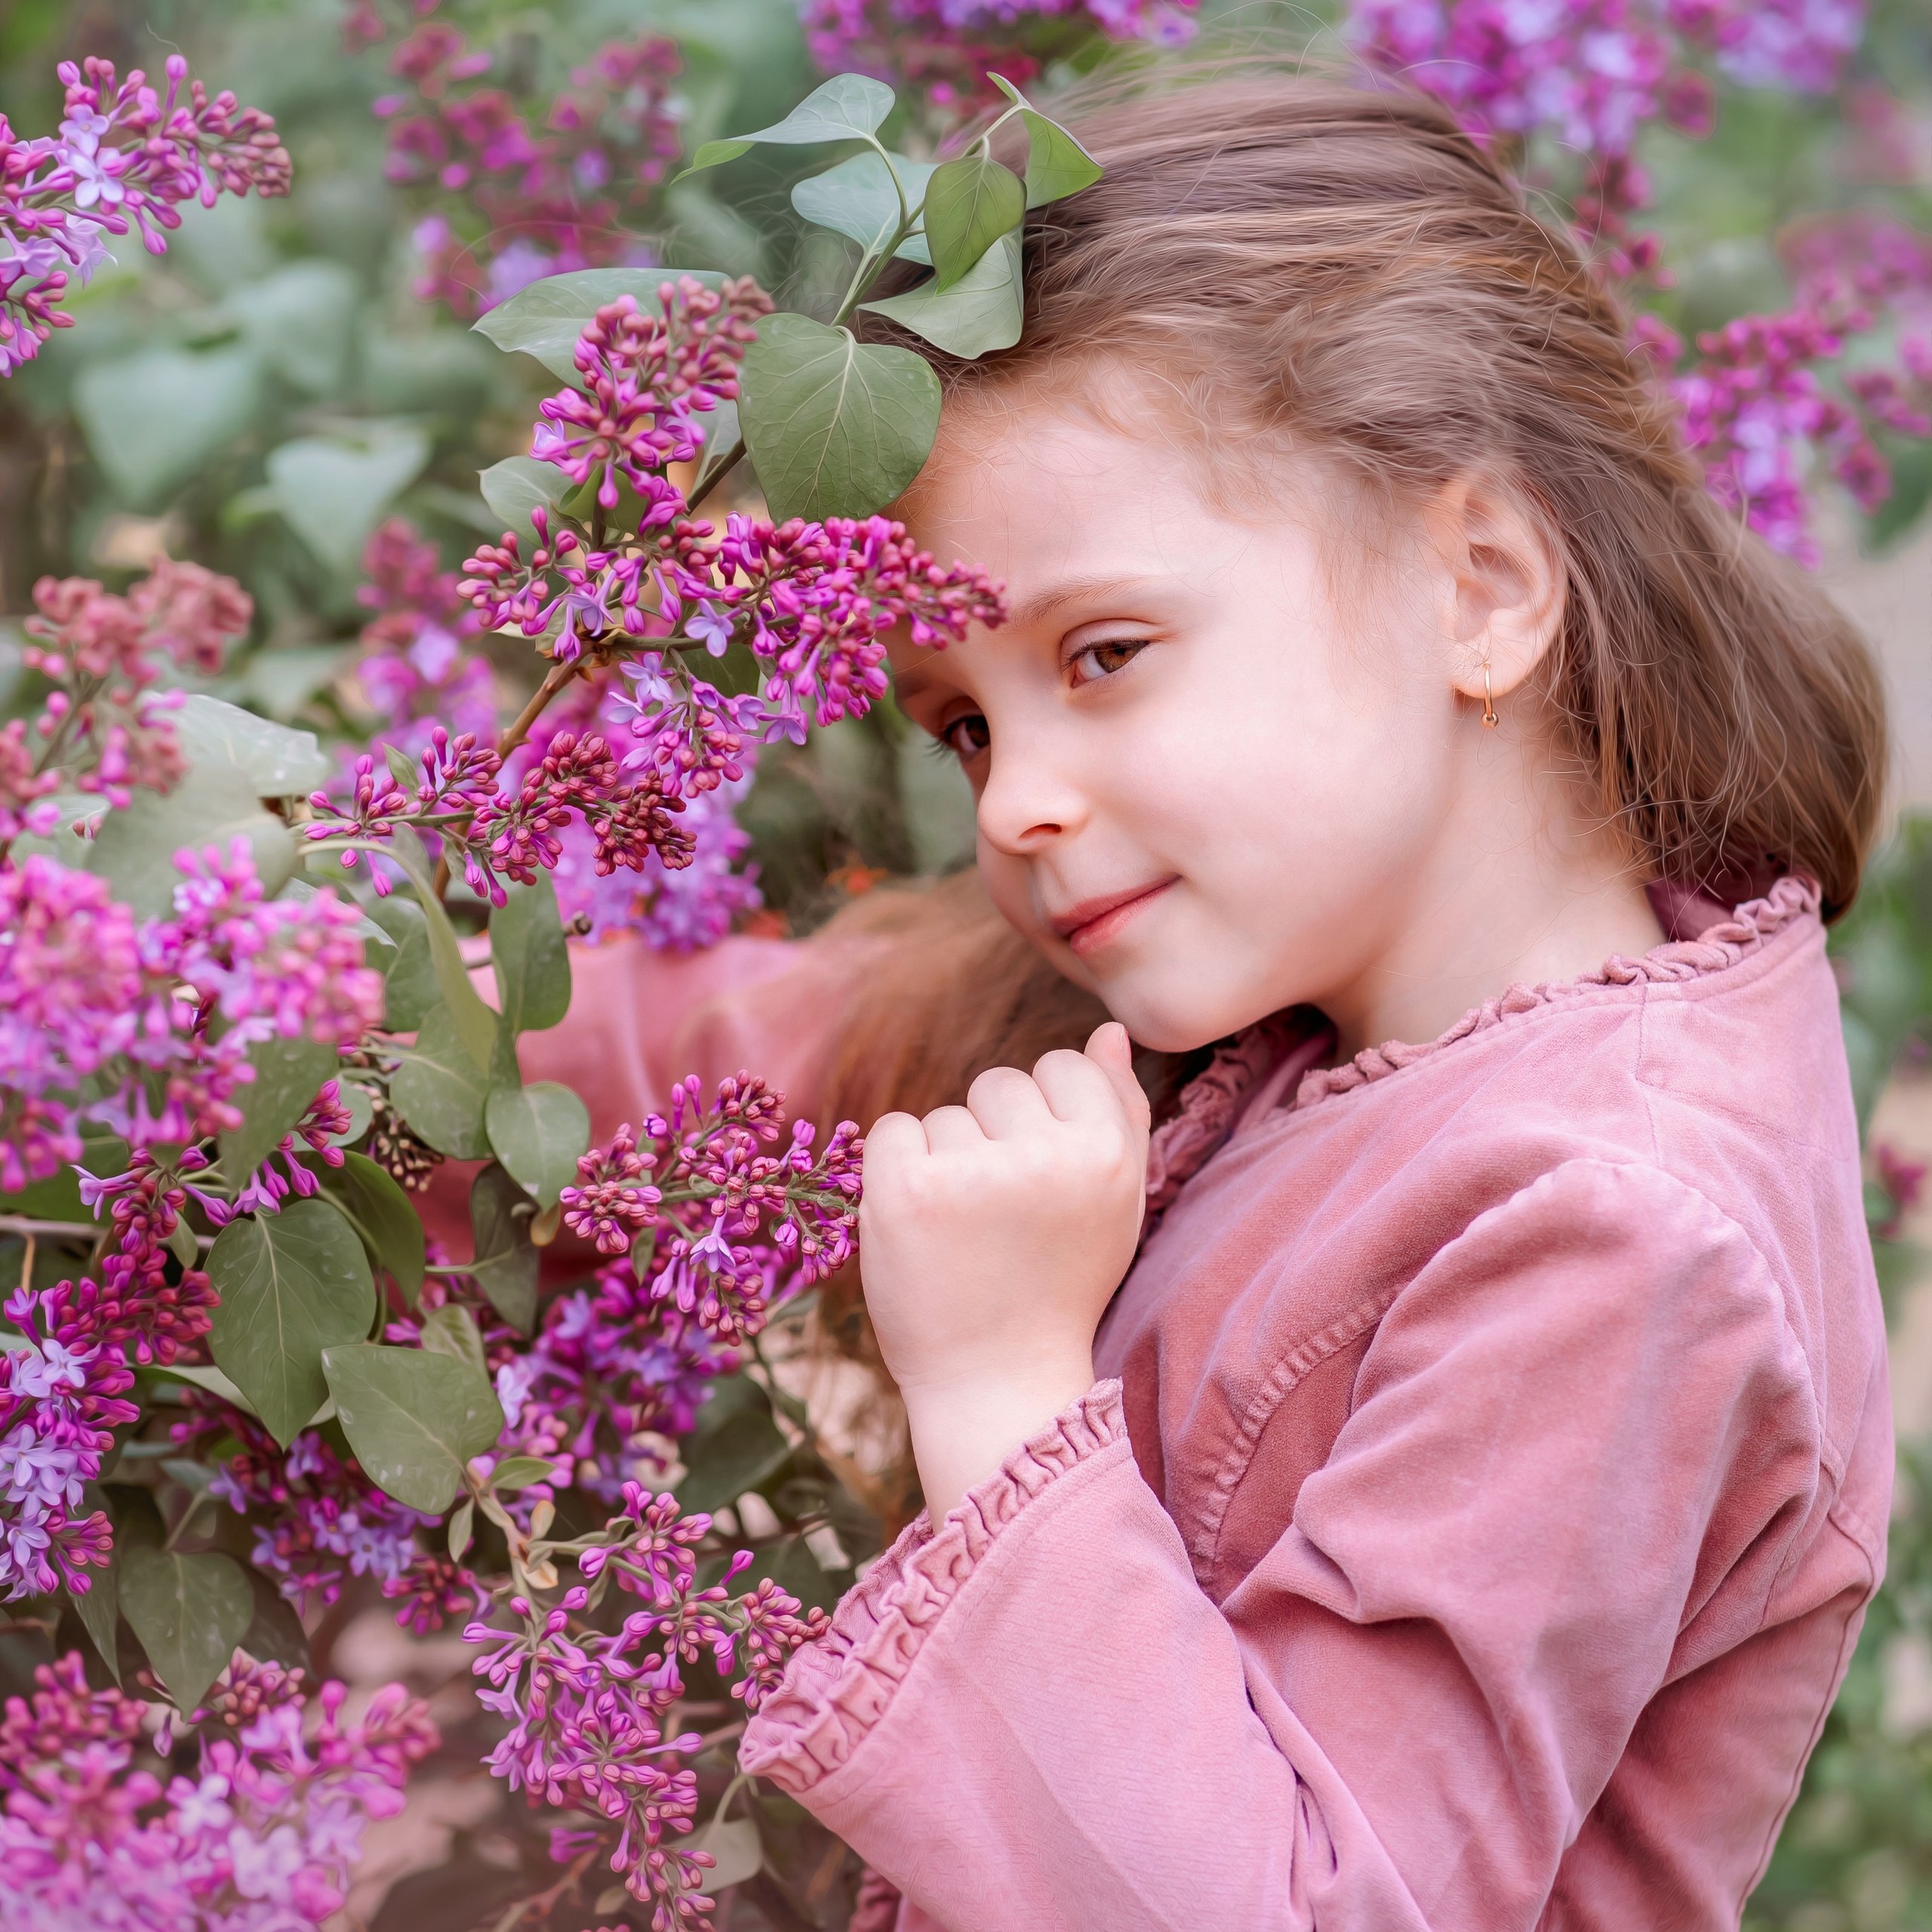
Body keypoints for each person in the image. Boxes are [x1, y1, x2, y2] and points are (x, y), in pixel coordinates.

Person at [537, 69, 1895, 1931]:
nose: (1014, 798)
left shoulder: (1609, 1235)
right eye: (961, 725)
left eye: (1103, 653)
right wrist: (261, 1010)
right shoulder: (1295, 1012)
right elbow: (735, 1062)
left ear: (1480, 586)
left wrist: (1003, 1384)